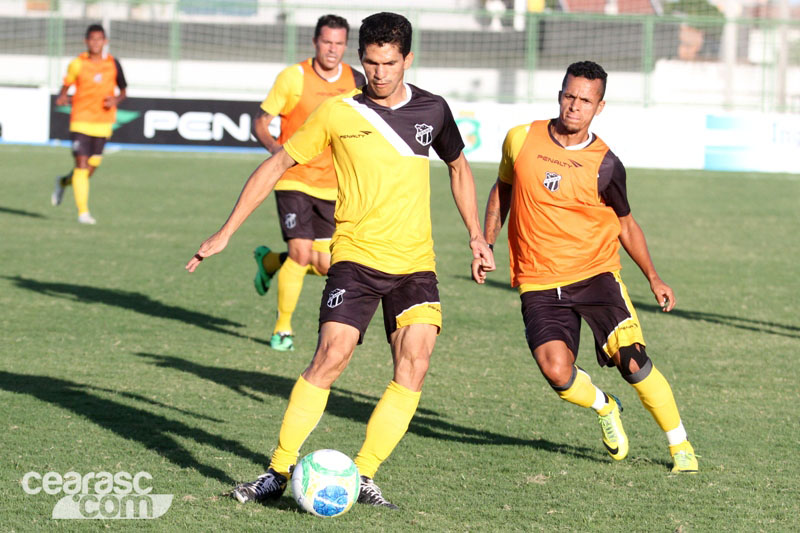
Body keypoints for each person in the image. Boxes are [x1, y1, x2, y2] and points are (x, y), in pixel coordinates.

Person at [186, 12, 495, 508]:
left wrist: (477, 236)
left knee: (414, 364)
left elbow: (458, 167)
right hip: (353, 256)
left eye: (389, 63)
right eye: (370, 62)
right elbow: (277, 163)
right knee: (332, 355)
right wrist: (226, 231)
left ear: (407, 59)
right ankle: (277, 471)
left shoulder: (433, 110)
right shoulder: (338, 112)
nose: (378, 73)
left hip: (416, 264)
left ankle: (366, 474)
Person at [481, 61, 698, 473]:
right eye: (569, 96)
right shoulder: (520, 138)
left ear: (599, 106)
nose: (574, 106)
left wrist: (653, 276)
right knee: (557, 373)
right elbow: (502, 188)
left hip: (595, 274)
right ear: (559, 94)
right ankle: (605, 406)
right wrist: (485, 241)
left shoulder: (606, 163)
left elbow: (625, 223)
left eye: (585, 100)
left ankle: (680, 447)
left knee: (632, 361)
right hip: (539, 280)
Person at [251, 14, 366, 352]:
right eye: (327, 42)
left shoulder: (356, 81)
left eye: (339, 43)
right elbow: (261, 122)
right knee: (301, 254)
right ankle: (282, 330)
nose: (332, 49)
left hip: (334, 184)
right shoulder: (293, 77)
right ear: (315, 42)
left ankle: (270, 261)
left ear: (346, 46)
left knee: (325, 264)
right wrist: (278, 154)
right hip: (294, 178)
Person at [51, 24, 127, 225]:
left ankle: (62, 182)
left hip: (103, 123)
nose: (95, 42)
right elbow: (66, 85)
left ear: (105, 41)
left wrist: (115, 101)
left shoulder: (113, 64)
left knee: (90, 169)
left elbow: (124, 90)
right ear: (86, 41)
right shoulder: (77, 63)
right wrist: (62, 96)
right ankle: (83, 213)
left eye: (99, 39)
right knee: (82, 166)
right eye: (92, 39)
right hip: (80, 121)